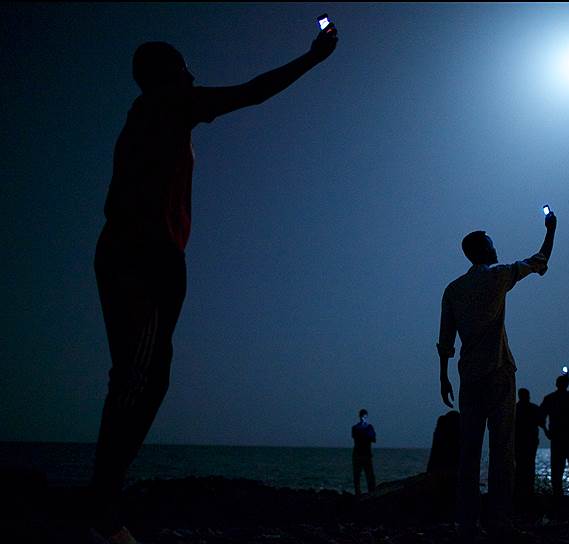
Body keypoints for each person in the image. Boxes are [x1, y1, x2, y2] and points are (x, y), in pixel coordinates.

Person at [90, 24, 338, 544]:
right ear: (166, 75)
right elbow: (250, 92)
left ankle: (104, 501)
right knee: (139, 377)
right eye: (184, 66)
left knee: (143, 376)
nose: (193, 73)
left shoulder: (152, 117)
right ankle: (102, 510)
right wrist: (312, 58)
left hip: (138, 253)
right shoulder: (163, 107)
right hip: (144, 255)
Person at [437, 213, 557, 543]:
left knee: (469, 453)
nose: (495, 249)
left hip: (468, 376)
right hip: (499, 371)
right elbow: (540, 259)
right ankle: (500, 519)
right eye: (491, 245)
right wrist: (551, 230)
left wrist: (443, 378)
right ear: (481, 251)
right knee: (503, 450)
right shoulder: (499, 276)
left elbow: (445, 341)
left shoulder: (454, 289)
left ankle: (466, 521)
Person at [540, 372, 569, 498]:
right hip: (568, 437)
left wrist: (546, 431)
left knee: (559, 468)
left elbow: (541, 416)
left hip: (561, 438)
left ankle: (559, 494)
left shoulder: (551, 398)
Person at [514, 388, 542, 505]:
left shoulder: (514, 409)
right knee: (528, 466)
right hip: (527, 442)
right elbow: (541, 422)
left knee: (521, 466)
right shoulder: (533, 408)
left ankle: (521, 491)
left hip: (521, 442)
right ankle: (527, 491)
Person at [352, 409, 377, 496]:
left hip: (365, 454)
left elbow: (374, 439)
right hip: (359, 454)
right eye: (363, 417)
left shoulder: (369, 427)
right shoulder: (355, 428)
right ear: (360, 417)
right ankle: (358, 493)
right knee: (358, 475)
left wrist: (366, 434)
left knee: (369, 475)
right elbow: (357, 437)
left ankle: (371, 492)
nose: (364, 418)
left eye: (365, 417)